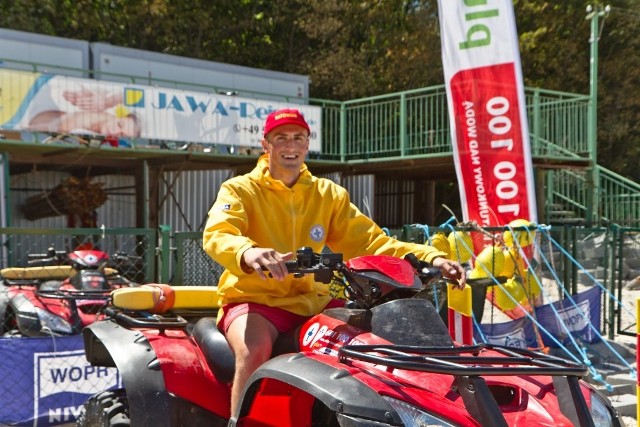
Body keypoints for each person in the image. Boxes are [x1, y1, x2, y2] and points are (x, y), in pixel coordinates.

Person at [202, 108, 467, 416]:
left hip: (314, 302)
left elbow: (371, 242)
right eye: (281, 138)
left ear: (307, 143)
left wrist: (431, 257)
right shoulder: (241, 189)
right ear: (266, 144)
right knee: (254, 349)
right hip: (257, 301)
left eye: (298, 138)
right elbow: (219, 232)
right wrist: (248, 252)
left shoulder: (328, 194)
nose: (290, 145)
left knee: (367, 345)